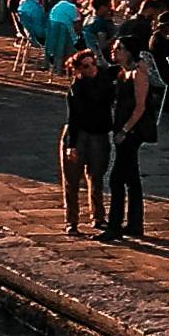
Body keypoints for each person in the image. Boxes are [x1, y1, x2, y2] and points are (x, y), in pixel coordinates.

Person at [60, 47, 119, 236]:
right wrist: (71, 145)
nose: (92, 68)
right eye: (86, 66)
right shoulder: (76, 89)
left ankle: (98, 216)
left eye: (93, 64)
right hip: (79, 134)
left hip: (99, 134)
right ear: (79, 69)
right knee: (72, 181)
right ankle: (72, 221)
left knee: (97, 177)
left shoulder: (106, 82)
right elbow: (73, 118)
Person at [102, 38, 154, 242]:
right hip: (122, 129)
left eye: (118, 49)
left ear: (129, 52)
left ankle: (114, 225)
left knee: (117, 179)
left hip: (132, 132)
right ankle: (134, 223)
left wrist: (125, 129)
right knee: (132, 179)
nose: (114, 52)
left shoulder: (138, 73)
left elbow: (140, 106)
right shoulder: (121, 72)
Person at [41, 0, 81, 71]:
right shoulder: (72, 7)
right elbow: (77, 27)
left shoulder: (57, 6)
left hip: (52, 38)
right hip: (67, 39)